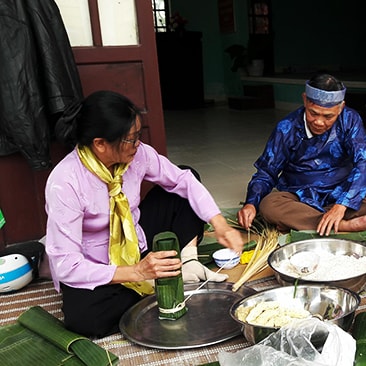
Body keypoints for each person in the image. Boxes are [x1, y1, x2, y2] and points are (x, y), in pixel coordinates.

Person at [45, 90, 244, 338]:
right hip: (98, 263)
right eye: (130, 139)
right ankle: (149, 286)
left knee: (185, 180)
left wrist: (220, 223)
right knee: (86, 319)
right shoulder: (65, 182)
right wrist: (137, 272)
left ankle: (188, 261)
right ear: (100, 144)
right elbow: (66, 265)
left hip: (136, 239)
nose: (137, 144)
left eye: (138, 135)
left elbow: (183, 181)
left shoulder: (139, 155)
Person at [237, 73, 366, 236]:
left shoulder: (350, 120)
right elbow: (267, 172)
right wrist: (251, 203)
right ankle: (342, 226)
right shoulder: (286, 127)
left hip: (339, 190)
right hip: (299, 194)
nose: (319, 121)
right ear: (305, 100)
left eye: (328, 116)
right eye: (313, 113)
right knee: (269, 205)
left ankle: (307, 221)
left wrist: (342, 205)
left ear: (340, 107)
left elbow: (364, 162)